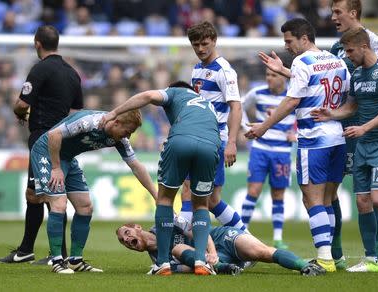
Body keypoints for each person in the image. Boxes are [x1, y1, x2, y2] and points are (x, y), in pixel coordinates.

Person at [311, 27, 378, 272]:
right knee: (363, 202)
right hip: (364, 143)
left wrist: (364, 128)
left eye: (350, 51)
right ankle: (373, 260)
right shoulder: (358, 75)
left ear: (364, 47)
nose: (347, 56)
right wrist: (331, 113)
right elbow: (351, 106)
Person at [245, 18, 351, 273]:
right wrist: (283, 71)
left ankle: (325, 258)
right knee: (327, 199)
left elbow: (291, 102)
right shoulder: (336, 61)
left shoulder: (302, 62)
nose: (287, 46)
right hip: (337, 137)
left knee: (311, 198)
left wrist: (263, 126)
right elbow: (341, 95)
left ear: (304, 38)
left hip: (313, 139)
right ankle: (333, 256)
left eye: (289, 41)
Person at [100, 81, 222, 276]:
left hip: (181, 140)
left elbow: (147, 96)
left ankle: (163, 263)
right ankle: (201, 261)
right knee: (201, 205)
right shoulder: (208, 105)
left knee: (165, 199)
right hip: (211, 145)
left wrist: (113, 113)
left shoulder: (175, 92)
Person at [31, 108, 157, 273]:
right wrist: (55, 168)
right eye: (127, 131)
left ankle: (75, 261)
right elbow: (54, 135)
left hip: (67, 158)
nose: (128, 136)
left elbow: (136, 166)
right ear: (116, 122)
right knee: (59, 204)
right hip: (47, 153)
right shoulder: (89, 122)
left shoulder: (119, 139)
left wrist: (156, 196)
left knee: (85, 207)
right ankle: (56, 261)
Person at [0, 25, 83, 264]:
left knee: (50, 194)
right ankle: (26, 250)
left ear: (37, 44)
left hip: (42, 139)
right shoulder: (72, 73)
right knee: (35, 193)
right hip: (63, 139)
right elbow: (77, 112)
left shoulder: (40, 70)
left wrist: (19, 112)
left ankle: (59, 254)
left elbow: (22, 104)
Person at [330, 0, 378, 268]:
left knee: (371, 195)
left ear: (353, 13)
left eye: (337, 12)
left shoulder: (373, 42)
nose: (333, 17)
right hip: (338, 129)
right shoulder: (335, 47)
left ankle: (375, 255)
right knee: (330, 190)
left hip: (365, 129)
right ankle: (335, 252)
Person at [179, 20, 246, 232]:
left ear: (214, 41)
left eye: (205, 43)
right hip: (196, 138)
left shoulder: (224, 71)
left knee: (205, 197)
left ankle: (243, 236)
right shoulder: (197, 69)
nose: (200, 49)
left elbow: (236, 107)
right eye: (196, 45)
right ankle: (182, 236)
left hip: (214, 140)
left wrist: (231, 143)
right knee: (199, 195)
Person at [116, 216, 326, 277]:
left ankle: (304, 265)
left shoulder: (166, 223)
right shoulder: (158, 262)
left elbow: (199, 230)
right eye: (123, 241)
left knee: (260, 251)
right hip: (213, 262)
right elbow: (188, 268)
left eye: (127, 233)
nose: (126, 240)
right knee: (177, 251)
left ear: (136, 227)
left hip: (219, 239)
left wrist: (212, 252)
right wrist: (211, 261)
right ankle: (227, 268)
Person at [240, 68, 296, 249]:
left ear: (283, 77)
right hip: (260, 149)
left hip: (282, 152)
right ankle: (241, 232)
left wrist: (296, 133)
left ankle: (278, 238)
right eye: (267, 75)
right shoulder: (257, 93)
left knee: (278, 194)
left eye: (274, 75)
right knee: (253, 191)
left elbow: (308, 117)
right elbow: (238, 106)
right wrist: (243, 127)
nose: (269, 78)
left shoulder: (293, 97)